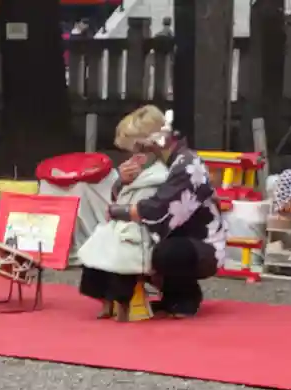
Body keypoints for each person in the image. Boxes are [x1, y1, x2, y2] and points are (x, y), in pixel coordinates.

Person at [106, 105, 227, 318]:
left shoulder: (187, 165)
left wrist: (118, 211)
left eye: (139, 149)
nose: (136, 156)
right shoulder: (164, 163)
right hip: (172, 235)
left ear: (151, 144)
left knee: (165, 252)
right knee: (117, 241)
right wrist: (122, 183)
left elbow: (156, 210)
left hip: (200, 244)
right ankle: (159, 296)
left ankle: (185, 297)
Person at [78, 120, 169, 321]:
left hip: (146, 228)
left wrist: (118, 210)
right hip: (124, 220)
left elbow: (151, 207)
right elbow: (118, 198)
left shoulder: (161, 173)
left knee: (122, 251)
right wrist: (122, 182)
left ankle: (122, 301)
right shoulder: (133, 170)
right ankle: (103, 298)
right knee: (97, 243)